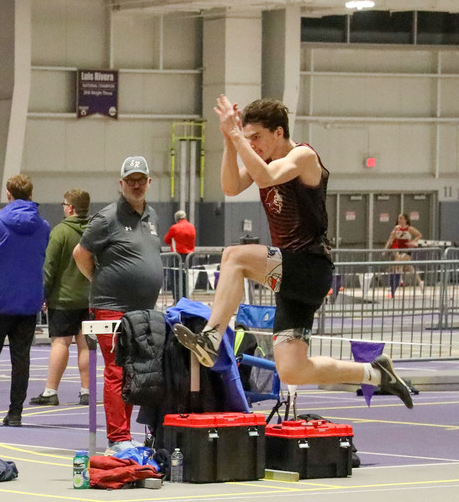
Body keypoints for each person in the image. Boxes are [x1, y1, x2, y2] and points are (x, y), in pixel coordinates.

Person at [173, 95, 413, 409]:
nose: (253, 145)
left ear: (279, 133)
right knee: (292, 369)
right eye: (249, 139)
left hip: (309, 264)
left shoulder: (303, 157)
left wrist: (236, 137)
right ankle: (375, 372)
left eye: (257, 137)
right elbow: (231, 187)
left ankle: (212, 338)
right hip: (290, 276)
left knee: (234, 256)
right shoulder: (264, 161)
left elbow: (267, 177)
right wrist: (230, 143)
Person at [73, 156, 164, 452]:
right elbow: (80, 254)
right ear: (121, 184)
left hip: (144, 310)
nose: (136, 185)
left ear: (149, 183)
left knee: (134, 372)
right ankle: (118, 438)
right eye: (131, 180)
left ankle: (123, 435)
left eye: (141, 180)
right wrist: (99, 282)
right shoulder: (107, 218)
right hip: (112, 307)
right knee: (117, 371)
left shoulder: (152, 217)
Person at [30, 190, 91, 407]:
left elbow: (49, 267)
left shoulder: (60, 232)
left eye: (64, 204)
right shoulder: (94, 231)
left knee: (60, 343)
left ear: (71, 208)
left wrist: (43, 294)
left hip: (63, 299)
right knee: (85, 345)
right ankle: (86, 391)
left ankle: (50, 391)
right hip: (89, 299)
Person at [0, 175, 50, 426]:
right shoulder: (44, 227)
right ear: (31, 194)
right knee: (21, 360)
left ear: (9, 194)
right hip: (29, 303)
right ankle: (16, 412)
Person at [384, 213, 424, 297]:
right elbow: (391, 238)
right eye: (399, 218)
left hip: (407, 249)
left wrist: (413, 242)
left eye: (401, 218)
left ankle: (395, 283)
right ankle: (419, 281)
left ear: (405, 220)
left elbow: (419, 235)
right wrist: (386, 248)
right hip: (400, 249)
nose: (399, 220)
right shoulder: (396, 228)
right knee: (409, 267)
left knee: (397, 263)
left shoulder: (409, 229)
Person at [164, 210, 196, 301]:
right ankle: (185, 299)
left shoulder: (175, 228)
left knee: (175, 278)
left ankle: (177, 299)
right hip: (189, 256)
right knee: (185, 278)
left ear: (176, 219)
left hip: (177, 256)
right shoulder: (192, 227)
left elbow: (166, 240)